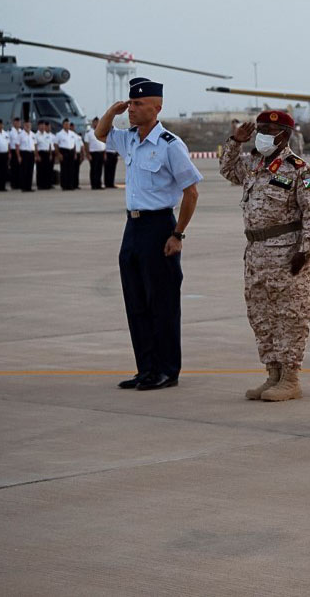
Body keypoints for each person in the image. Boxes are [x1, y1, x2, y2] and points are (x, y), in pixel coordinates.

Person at [96, 77, 202, 391]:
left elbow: (191, 192)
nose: (132, 109)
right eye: (130, 103)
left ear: (157, 107)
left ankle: (167, 370)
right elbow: (101, 134)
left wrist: (177, 234)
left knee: (163, 303)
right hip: (133, 228)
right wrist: (112, 110)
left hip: (159, 227)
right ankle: (146, 369)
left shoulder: (170, 144)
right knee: (136, 302)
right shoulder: (129, 139)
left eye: (138, 104)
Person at [221, 111, 310, 402]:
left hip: (287, 255)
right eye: (261, 129)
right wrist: (235, 141)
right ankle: (273, 374)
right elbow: (227, 169)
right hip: (256, 254)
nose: (264, 134)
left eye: (271, 129)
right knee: (261, 315)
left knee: (290, 316)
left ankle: (291, 377)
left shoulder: (299, 170)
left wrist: (304, 251)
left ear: (285, 134)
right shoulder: (254, 164)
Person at [56, 119, 82, 190]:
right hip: (63, 151)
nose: (67, 126)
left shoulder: (72, 133)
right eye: (66, 124)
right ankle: (64, 185)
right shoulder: (59, 134)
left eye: (68, 124)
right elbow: (56, 145)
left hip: (71, 152)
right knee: (64, 170)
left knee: (71, 169)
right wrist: (58, 154)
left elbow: (74, 144)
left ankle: (70, 185)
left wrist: (75, 153)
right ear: (63, 125)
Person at [85, 118, 107, 189]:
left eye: (98, 122)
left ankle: (99, 184)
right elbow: (86, 144)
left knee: (100, 169)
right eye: (95, 122)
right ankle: (93, 185)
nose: (97, 124)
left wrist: (104, 153)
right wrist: (88, 154)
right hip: (93, 153)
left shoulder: (101, 131)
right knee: (94, 169)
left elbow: (104, 143)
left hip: (101, 152)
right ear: (93, 123)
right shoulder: (89, 133)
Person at [34, 121, 56, 189]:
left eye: (43, 126)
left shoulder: (47, 135)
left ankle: (47, 184)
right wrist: (37, 155)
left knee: (47, 170)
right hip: (40, 153)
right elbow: (35, 146)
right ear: (38, 126)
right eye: (41, 126)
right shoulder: (36, 135)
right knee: (40, 170)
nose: (43, 127)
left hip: (47, 153)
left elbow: (49, 145)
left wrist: (50, 154)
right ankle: (40, 185)